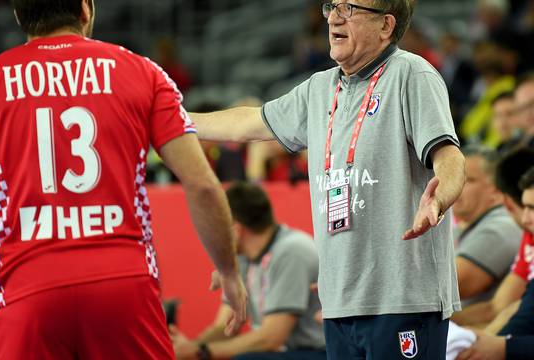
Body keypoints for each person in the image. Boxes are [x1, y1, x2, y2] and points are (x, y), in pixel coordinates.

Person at [0, 1, 247, 359]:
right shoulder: (144, 72)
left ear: (18, 15)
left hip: (24, 293)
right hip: (123, 287)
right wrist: (228, 271)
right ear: (85, 9)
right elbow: (202, 183)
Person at [190, 1, 466, 359]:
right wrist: (170, 118)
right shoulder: (318, 88)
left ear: (385, 25)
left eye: (350, 8)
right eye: (332, 6)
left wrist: (439, 198)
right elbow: (249, 122)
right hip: (339, 304)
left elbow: (451, 156)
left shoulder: (412, 75)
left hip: (403, 298)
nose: (334, 17)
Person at [170, 182, 326, 360]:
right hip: (279, 353)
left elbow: (272, 338)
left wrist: (199, 352)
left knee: (244, 359)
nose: (213, 235)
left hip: (315, 352)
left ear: (236, 230)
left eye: (217, 227)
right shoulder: (242, 257)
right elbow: (225, 328)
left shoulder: (293, 251)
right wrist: (190, 349)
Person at [455, 167, 534, 360]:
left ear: (499, 195)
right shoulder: (529, 233)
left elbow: (450, 286)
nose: (525, 218)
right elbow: (515, 308)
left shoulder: (500, 227)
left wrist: (504, 347)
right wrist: (488, 341)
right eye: (525, 208)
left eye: (469, 180)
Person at [452, 146, 521, 306]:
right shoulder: (467, 225)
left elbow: (446, 287)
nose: (454, 186)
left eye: (468, 180)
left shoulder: (501, 227)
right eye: (453, 177)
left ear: (496, 191)